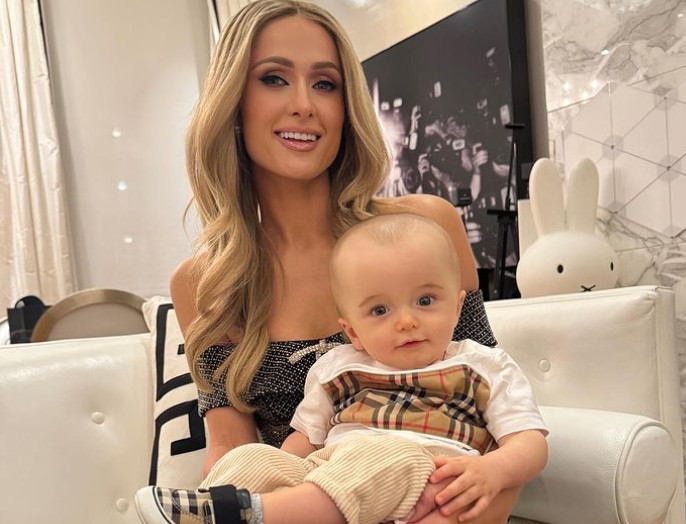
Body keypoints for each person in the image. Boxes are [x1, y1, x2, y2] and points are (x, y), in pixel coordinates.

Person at [135, 1, 533, 522]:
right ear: (233, 102)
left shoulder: (425, 229)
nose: (304, 104)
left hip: (431, 498)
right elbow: (230, 448)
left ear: (347, 108)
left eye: (325, 84)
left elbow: (492, 417)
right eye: (273, 79)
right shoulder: (205, 283)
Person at [136, 214, 548, 524]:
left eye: (425, 301)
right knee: (251, 459)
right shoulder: (336, 368)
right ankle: (216, 509)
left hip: (425, 475)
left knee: (387, 453)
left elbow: (530, 441)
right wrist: (279, 469)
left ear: (458, 308)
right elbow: (304, 440)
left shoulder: (482, 365)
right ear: (352, 331)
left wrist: (492, 471)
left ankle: (255, 514)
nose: (407, 321)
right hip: (333, 474)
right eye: (380, 310)